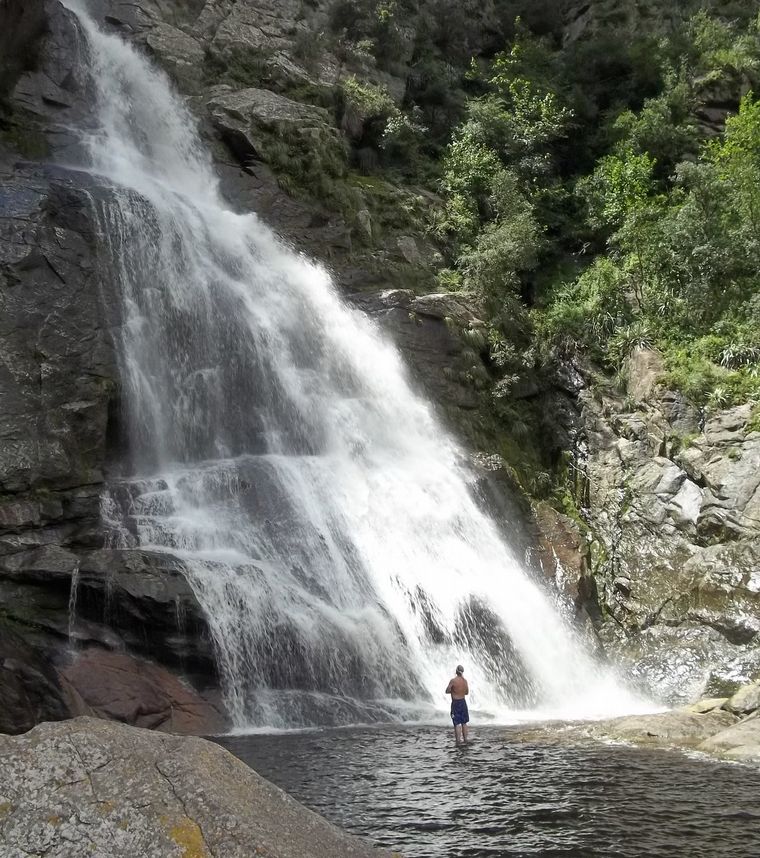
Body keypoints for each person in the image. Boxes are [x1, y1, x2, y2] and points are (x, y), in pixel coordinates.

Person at [445, 664, 469, 745]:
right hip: (463, 702)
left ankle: (458, 741)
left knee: (457, 723)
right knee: (464, 723)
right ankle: (465, 740)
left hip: (455, 703)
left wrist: (453, 690)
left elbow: (447, 691)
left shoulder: (453, 681)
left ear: (456, 671)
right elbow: (467, 692)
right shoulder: (465, 681)